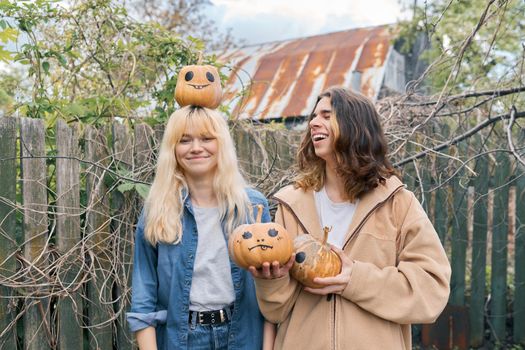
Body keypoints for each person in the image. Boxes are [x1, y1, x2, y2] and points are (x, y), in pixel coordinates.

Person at [250, 87, 451, 350]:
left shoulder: (397, 203)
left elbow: (431, 291)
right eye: (313, 115)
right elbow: (276, 312)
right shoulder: (292, 204)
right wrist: (272, 280)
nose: (313, 122)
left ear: (354, 126)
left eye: (326, 115)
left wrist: (354, 279)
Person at [127, 106, 276, 350]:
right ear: (172, 150)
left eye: (206, 138)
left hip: (243, 336)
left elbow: (270, 291)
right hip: (183, 339)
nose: (196, 147)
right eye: (184, 140)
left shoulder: (253, 208)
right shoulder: (158, 212)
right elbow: (144, 299)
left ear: (222, 145)